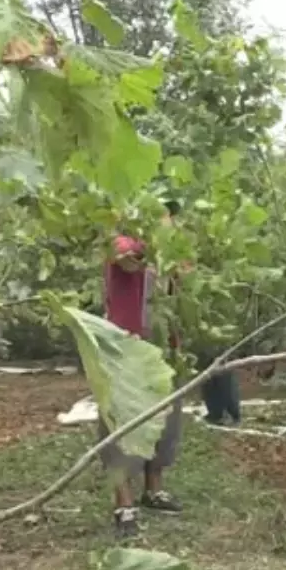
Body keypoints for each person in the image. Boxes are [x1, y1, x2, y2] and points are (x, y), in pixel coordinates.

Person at [101, 200, 186, 539]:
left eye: (170, 215)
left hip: (163, 349)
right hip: (127, 350)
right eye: (163, 214)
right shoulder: (125, 243)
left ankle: (154, 490)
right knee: (122, 423)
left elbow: (184, 282)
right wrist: (152, 246)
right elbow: (125, 260)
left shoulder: (171, 255)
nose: (169, 220)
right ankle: (124, 504)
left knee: (165, 420)